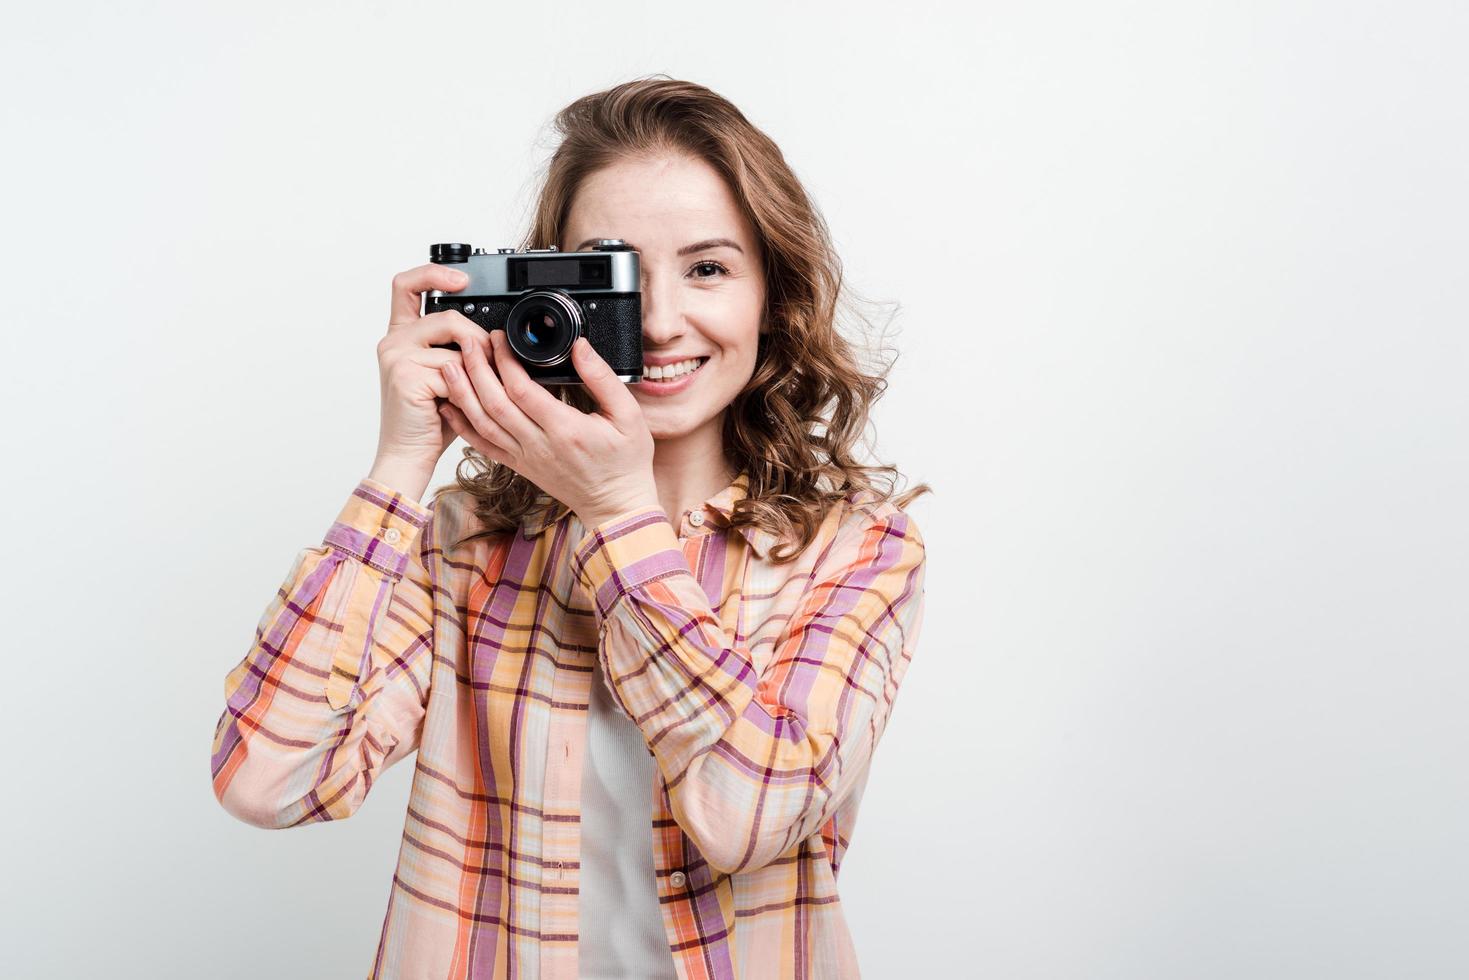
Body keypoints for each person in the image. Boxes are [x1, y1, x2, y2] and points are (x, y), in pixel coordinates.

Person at [210, 76, 931, 980]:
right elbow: (265, 782)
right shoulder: (468, 546)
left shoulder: (857, 550)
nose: (662, 324)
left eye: (708, 268)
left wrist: (620, 517)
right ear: (544, 293)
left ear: (769, 298)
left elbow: (750, 817)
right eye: (614, 275)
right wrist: (400, 463)